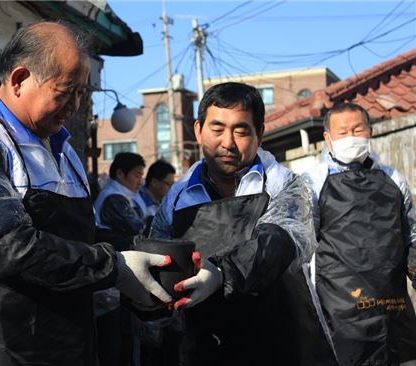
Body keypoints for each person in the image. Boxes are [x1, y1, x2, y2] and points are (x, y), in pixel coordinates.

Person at [0, 22, 173, 366]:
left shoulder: (64, 151)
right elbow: (5, 249)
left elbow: (80, 235)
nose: (75, 105)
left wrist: (144, 259)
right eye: (66, 90)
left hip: (63, 342)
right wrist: (115, 267)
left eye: (82, 93)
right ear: (20, 79)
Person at [150, 82, 338, 365]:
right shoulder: (178, 196)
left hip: (279, 340)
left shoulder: (284, 185)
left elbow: (279, 240)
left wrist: (223, 274)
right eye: (217, 129)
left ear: (259, 134)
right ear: (198, 130)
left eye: (241, 131)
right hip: (204, 343)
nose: (228, 142)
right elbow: (158, 256)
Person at [304, 103, 416, 366]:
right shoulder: (312, 183)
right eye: (342, 132)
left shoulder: (394, 180)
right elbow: (303, 244)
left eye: (357, 129)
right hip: (340, 310)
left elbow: (411, 234)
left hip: (394, 307)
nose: (351, 137)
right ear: (328, 138)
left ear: (370, 131)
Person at [93, 152, 147, 366]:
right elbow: (140, 230)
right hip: (112, 287)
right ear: (120, 173)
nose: (140, 181)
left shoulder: (122, 195)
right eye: (136, 175)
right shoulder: (114, 198)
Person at [138, 159, 176, 232]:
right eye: (168, 184)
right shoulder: (139, 202)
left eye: (173, 185)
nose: (171, 189)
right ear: (154, 182)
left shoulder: (163, 203)